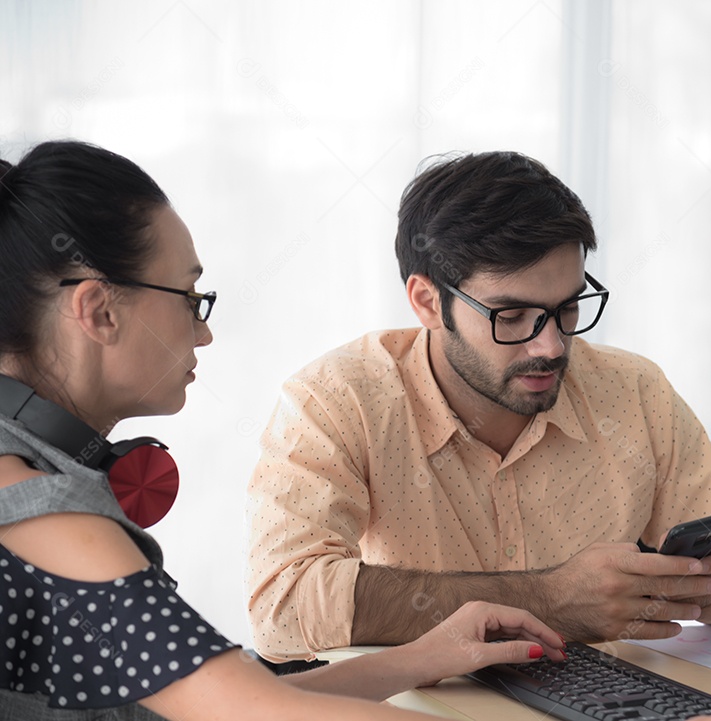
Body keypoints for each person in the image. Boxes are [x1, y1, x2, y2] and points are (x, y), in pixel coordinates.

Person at [0, 140, 570, 721]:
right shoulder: (35, 501)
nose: (204, 333)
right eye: (190, 297)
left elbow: (210, 702)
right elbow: (250, 711)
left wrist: (421, 658)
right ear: (99, 312)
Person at [246, 150, 711, 663]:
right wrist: (551, 598)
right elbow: (283, 606)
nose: (552, 346)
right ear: (427, 301)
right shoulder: (339, 399)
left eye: (567, 308)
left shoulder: (634, 391)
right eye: (511, 317)